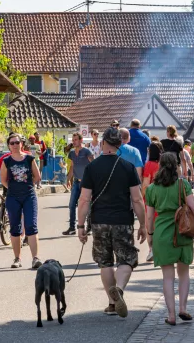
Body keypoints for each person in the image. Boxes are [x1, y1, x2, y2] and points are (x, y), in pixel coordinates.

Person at [76, 126, 148, 319]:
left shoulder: (92, 168)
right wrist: (143, 224)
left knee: (105, 262)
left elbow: (84, 200)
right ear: (120, 145)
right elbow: (137, 199)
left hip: (99, 221)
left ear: (103, 143)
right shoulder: (128, 167)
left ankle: (111, 302)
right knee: (127, 259)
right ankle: (120, 290)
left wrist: (80, 226)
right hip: (123, 220)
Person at [144, 153, 194, 326]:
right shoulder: (182, 184)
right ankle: (183, 308)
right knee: (184, 274)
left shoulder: (152, 189)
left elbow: (148, 218)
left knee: (167, 277)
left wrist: (150, 236)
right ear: (176, 165)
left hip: (162, 234)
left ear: (160, 166)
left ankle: (171, 315)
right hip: (183, 232)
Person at [0, 133, 43, 269]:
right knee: (15, 227)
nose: (15, 145)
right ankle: (17, 258)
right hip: (13, 197)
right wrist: (12, 188)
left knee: (31, 226)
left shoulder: (29, 158)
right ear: (9, 146)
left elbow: (37, 176)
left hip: (29, 196)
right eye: (12, 143)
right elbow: (3, 180)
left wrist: (28, 186)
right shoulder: (6, 161)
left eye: (17, 142)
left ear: (21, 144)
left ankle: (35, 258)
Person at [64, 133, 94, 236]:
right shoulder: (72, 153)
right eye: (73, 139)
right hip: (76, 182)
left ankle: (89, 227)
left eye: (76, 139)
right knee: (72, 205)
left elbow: (93, 165)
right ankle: (72, 228)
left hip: (86, 183)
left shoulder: (87, 151)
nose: (74, 141)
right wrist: (68, 179)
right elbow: (72, 167)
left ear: (81, 141)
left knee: (87, 205)